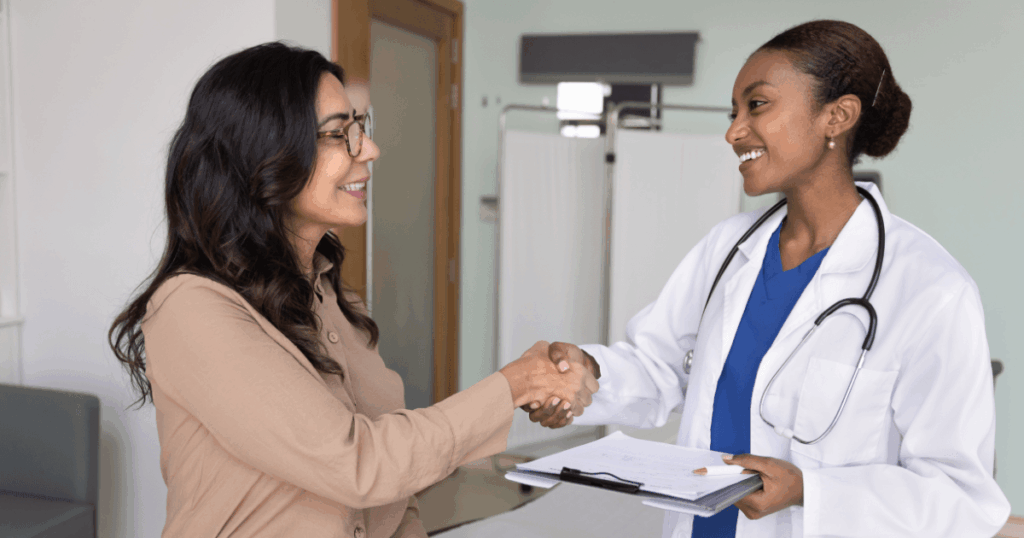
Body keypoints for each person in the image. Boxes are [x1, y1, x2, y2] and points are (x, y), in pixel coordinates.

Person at [523, 20, 1010, 537]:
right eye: (734, 111)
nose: (734, 131)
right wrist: (585, 373)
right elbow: (660, 365)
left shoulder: (930, 289)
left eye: (757, 105)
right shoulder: (729, 249)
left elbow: (961, 500)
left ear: (837, 117)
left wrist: (810, 492)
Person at [108, 42, 598, 538]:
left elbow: (393, 494)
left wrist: (533, 385)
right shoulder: (192, 309)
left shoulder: (336, 302)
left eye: (360, 127)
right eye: (337, 134)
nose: (368, 149)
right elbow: (360, 465)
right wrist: (516, 385)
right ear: (263, 153)